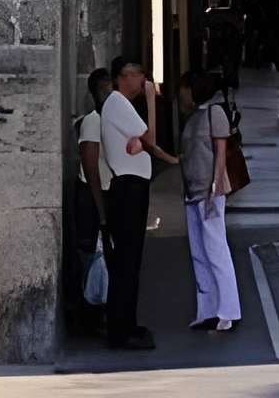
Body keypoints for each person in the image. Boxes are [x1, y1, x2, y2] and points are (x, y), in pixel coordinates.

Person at [99, 56, 176, 351]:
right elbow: (150, 137)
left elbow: (140, 144)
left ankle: (126, 323)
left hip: (132, 185)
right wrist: (150, 99)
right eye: (135, 74)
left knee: (130, 260)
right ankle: (121, 330)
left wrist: (142, 144)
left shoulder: (118, 107)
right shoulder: (118, 103)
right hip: (128, 188)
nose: (140, 79)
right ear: (121, 77)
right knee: (127, 262)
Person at [178, 69, 241, 334]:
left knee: (216, 250)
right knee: (199, 253)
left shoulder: (214, 113)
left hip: (208, 192)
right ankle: (207, 310)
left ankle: (228, 309)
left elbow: (221, 152)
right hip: (193, 192)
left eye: (184, 88)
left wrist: (215, 189)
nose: (181, 94)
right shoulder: (194, 116)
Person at [71, 67, 113, 334]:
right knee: (94, 257)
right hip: (92, 196)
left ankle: (100, 313)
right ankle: (92, 316)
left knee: (103, 258)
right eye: (106, 90)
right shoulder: (93, 121)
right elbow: (90, 168)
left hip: (104, 194)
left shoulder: (109, 121)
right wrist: (102, 210)